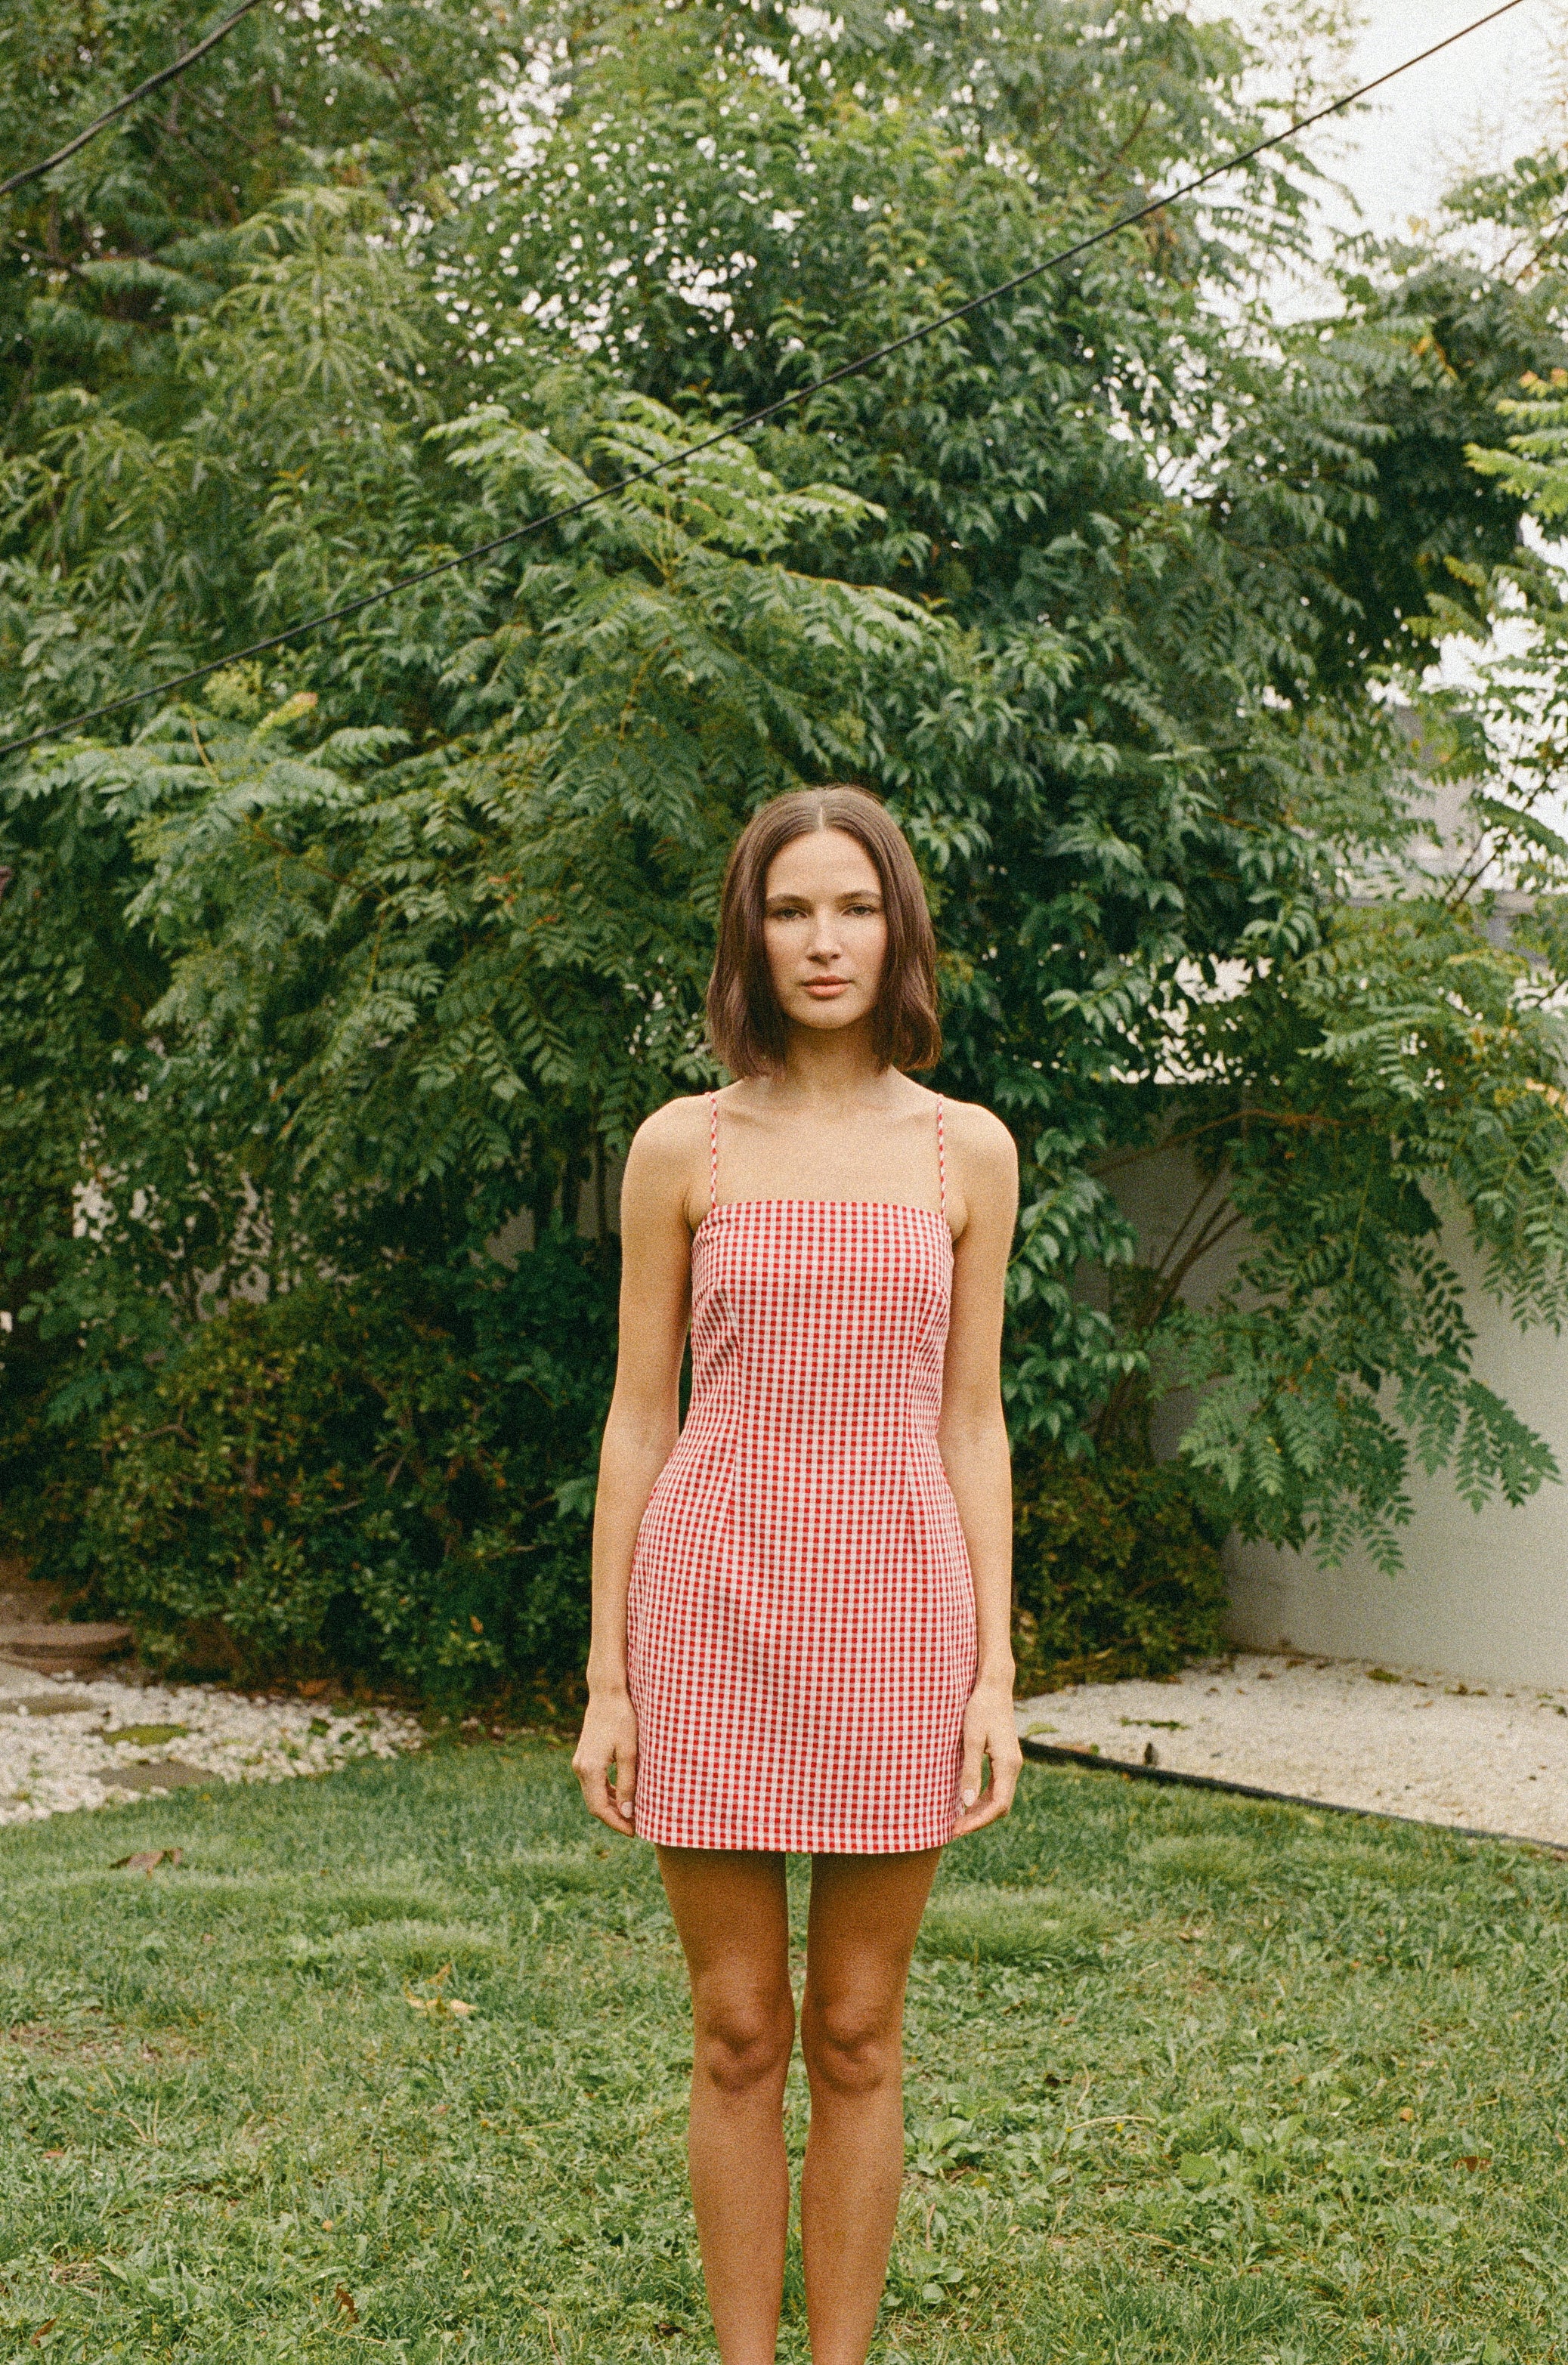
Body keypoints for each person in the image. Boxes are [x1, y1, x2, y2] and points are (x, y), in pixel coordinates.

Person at [573, 784, 1021, 2365]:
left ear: (896, 923)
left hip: (903, 1609)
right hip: (711, 1600)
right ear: (747, 938)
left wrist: (995, 1675)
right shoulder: (680, 1145)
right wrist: (607, 1678)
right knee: (739, 2025)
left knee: (857, 2027)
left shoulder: (966, 1149)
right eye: (788, 909)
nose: (822, 940)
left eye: (851, 905)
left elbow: (973, 1415)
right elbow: (639, 1415)